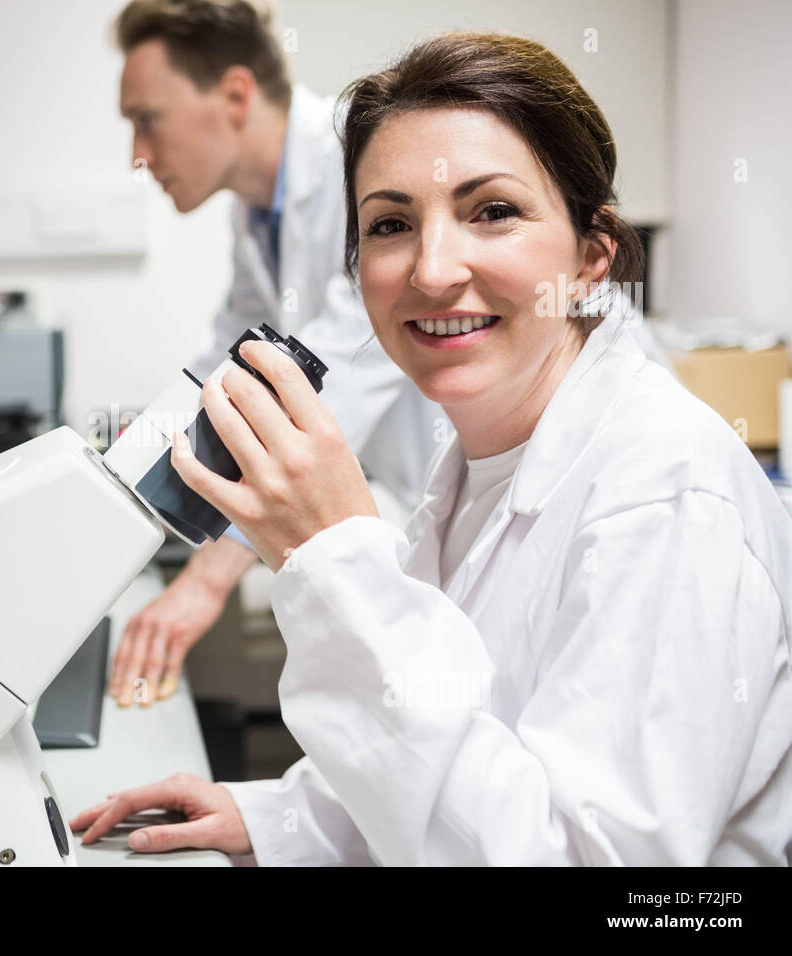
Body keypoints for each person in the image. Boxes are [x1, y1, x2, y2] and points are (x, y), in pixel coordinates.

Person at [71, 32, 792, 865]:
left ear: (594, 257)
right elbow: (467, 739)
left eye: (494, 212)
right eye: (389, 224)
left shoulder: (666, 498)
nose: (433, 269)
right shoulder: (478, 467)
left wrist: (333, 556)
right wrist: (283, 817)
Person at [108, 0, 442, 707]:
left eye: (148, 119)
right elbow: (219, 369)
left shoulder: (363, 164)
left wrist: (204, 580)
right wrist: (112, 481)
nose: (138, 154)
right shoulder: (255, 211)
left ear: (234, 96)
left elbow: (307, 388)